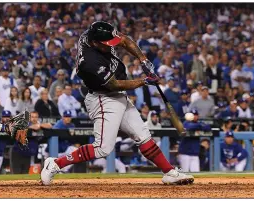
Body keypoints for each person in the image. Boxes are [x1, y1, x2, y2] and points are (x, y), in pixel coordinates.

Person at [41, 21, 193, 185]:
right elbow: (114, 84)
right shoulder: (89, 62)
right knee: (102, 148)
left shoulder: (95, 34)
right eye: (107, 45)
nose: (111, 46)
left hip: (118, 96)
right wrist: (144, 81)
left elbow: (124, 40)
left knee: (143, 136)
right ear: (94, 43)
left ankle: (169, 172)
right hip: (103, 98)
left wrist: (143, 59)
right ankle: (55, 164)